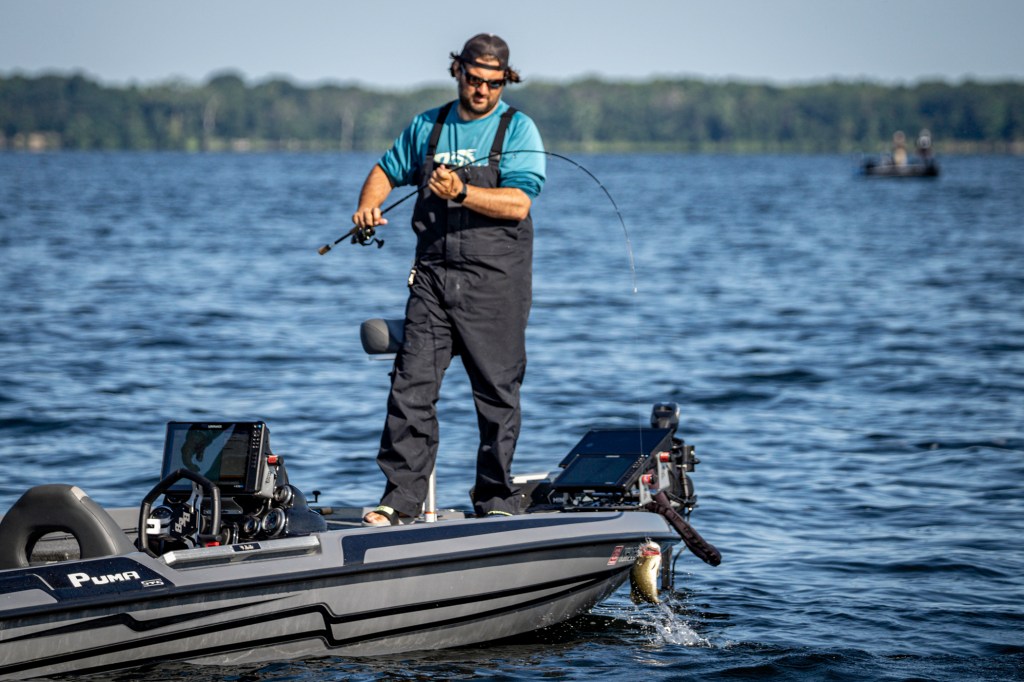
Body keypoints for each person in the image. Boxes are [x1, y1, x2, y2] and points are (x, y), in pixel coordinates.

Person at [352, 34, 546, 526]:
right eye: (474, 79)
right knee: (410, 388)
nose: (482, 90)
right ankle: (399, 501)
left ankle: (495, 498)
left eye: (494, 83)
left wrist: (461, 192)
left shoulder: (518, 130)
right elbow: (384, 171)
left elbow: (518, 203)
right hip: (433, 279)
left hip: (495, 282)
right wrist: (368, 207)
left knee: (497, 394)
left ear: (505, 80)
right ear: (458, 70)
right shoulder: (428, 126)